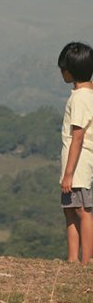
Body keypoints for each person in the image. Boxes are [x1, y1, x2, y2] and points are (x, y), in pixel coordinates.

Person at [58, 41, 93, 265]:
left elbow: (77, 136)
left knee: (81, 210)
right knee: (70, 211)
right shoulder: (85, 95)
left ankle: (86, 260)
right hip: (75, 164)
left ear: (69, 71)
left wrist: (69, 173)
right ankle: (72, 260)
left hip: (78, 164)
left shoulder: (80, 98)